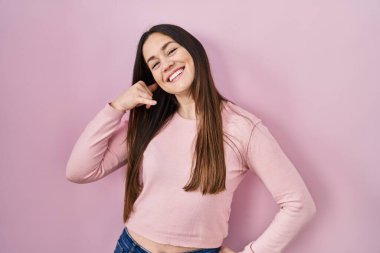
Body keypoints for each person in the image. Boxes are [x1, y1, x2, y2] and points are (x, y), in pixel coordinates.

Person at [65, 24, 317, 253]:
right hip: (132, 247)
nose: (166, 65)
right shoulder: (148, 121)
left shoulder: (242, 127)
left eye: (171, 51)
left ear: (193, 51)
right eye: (154, 64)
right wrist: (117, 107)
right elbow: (80, 171)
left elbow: (299, 204)